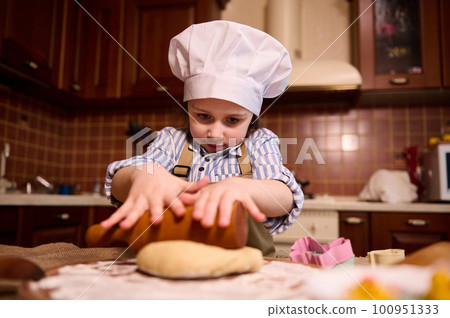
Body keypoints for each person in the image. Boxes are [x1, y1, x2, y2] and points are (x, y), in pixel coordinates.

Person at [102, 20, 304, 256]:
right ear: (187, 109)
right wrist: (141, 177)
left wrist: (242, 188)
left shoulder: (260, 142)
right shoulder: (172, 140)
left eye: (232, 121)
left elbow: (284, 198)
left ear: (252, 119)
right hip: (174, 261)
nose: (215, 133)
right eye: (203, 116)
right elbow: (117, 186)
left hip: (246, 269)